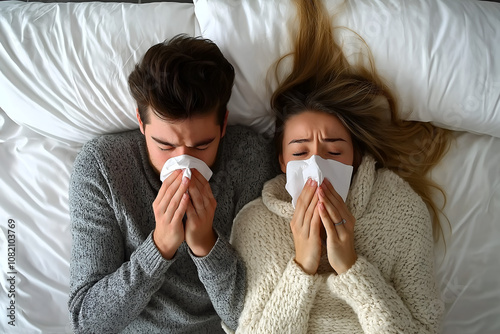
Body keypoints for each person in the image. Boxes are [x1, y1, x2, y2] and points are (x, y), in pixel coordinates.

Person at [228, 0, 450, 333]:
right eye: (300, 152)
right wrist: (302, 265)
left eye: (333, 151)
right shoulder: (255, 225)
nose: (316, 166)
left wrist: (351, 266)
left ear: (355, 157)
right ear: (282, 162)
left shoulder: (400, 211)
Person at [68, 34, 279, 333]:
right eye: (164, 145)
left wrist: (206, 245)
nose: (184, 162)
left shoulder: (248, 157)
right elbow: (87, 323)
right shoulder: (103, 167)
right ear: (141, 124)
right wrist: (159, 246)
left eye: (201, 144)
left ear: (222, 126)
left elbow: (253, 317)